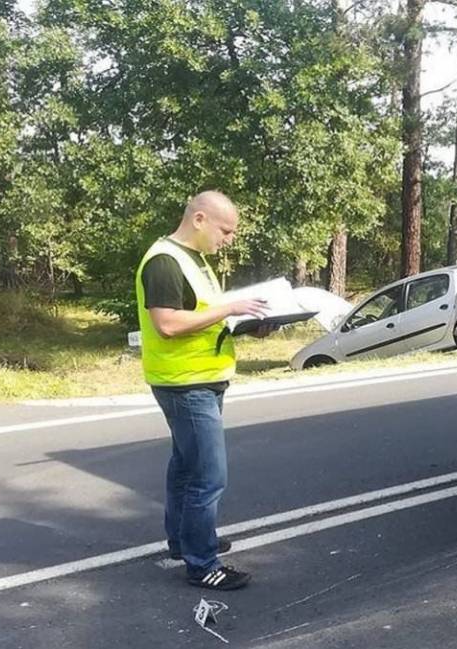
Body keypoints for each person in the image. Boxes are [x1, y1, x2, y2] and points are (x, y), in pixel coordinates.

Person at [135, 191, 269, 591]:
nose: (228, 239)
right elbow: (168, 325)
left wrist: (247, 322)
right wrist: (230, 309)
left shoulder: (195, 262)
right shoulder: (164, 261)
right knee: (209, 476)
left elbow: (200, 318)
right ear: (198, 219)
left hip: (201, 379)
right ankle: (202, 563)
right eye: (225, 230)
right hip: (184, 383)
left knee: (185, 466)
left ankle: (185, 541)